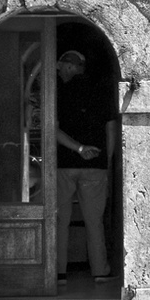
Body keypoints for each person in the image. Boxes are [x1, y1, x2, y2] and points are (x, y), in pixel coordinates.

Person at [55, 49, 117, 285]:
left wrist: (78, 148)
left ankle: (58, 271)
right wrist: (107, 162)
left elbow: (54, 128)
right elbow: (111, 129)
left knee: (61, 219)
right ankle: (100, 271)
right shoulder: (101, 93)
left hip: (63, 165)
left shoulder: (58, 92)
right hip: (96, 166)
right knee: (94, 220)